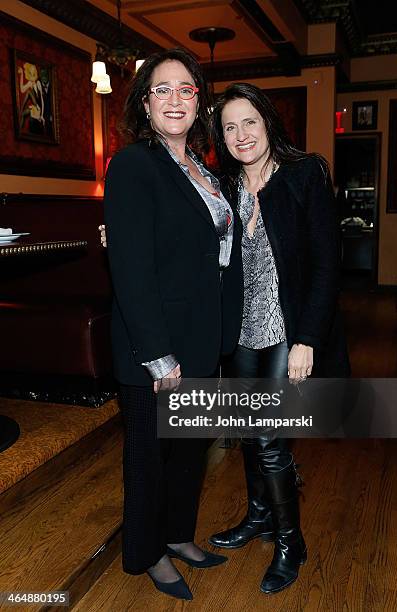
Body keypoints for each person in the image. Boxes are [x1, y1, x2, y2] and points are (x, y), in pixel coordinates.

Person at [103, 49, 242, 601]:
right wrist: (157, 354)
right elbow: (131, 267)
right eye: (162, 89)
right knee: (151, 458)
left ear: (199, 101)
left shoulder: (205, 170)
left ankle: (179, 535)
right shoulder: (135, 164)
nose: (176, 99)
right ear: (143, 102)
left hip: (203, 338)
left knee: (189, 451)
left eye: (187, 89)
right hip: (157, 348)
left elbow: (216, 251)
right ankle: (148, 553)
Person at [207, 83, 350, 595]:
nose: (241, 134)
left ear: (268, 121)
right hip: (241, 331)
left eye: (249, 122)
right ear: (220, 137)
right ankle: (259, 516)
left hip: (288, 331)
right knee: (248, 432)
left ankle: (292, 540)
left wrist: (309, 337)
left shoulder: (304, 174)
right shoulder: (222, 185)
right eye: (229, 126)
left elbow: (326, 264)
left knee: (268, 437)